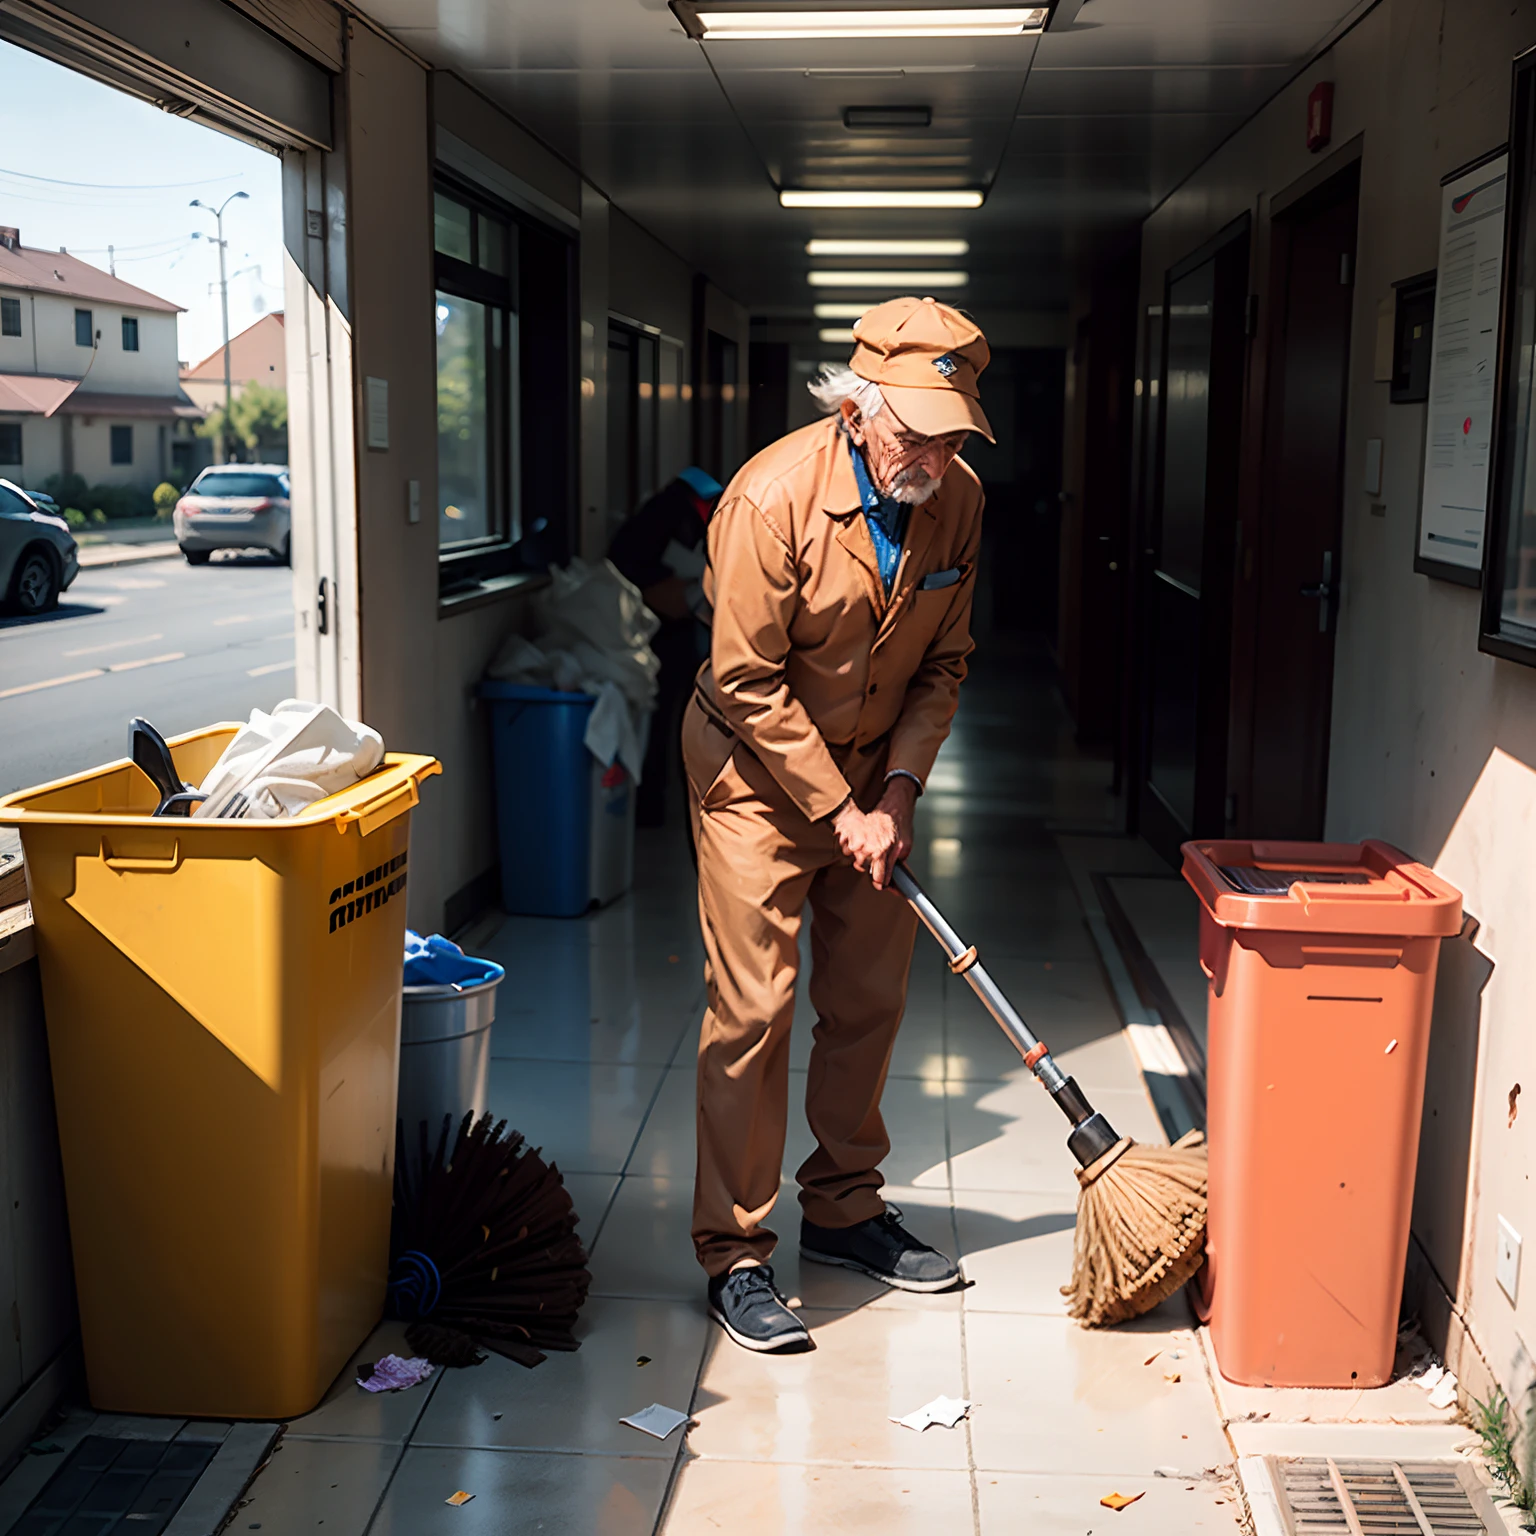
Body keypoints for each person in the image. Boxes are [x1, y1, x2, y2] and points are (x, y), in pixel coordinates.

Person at [682, 296, 992, 1351]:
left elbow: (943, 663)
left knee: (866, 999)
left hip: (871, 781)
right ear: (855, 410)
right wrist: (843, 808)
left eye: (952, 438)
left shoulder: (958, 501)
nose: (935, 459)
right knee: (754, 1011)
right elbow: (745, 680)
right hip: (755, 781)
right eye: (915, 432)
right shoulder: (769, 499)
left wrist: (897, 794)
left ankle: (846, 1209)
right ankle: (735, 1250)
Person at [607, 467, 723, 827]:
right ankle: (653, 803)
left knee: (671, 716)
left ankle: (658, 801)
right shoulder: (673, 513)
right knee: (664, 716)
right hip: (658, 627)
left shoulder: (685, 504)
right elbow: (634, 566)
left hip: (673, 623)